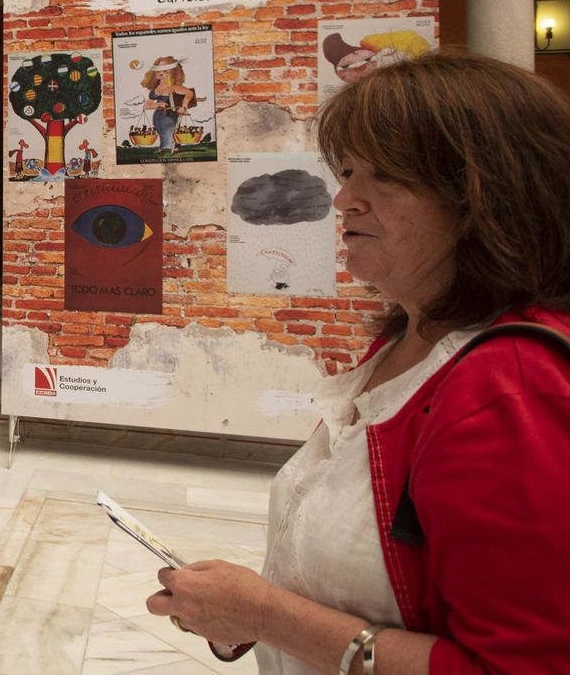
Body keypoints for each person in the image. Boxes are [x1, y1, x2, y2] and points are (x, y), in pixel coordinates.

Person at [145, 51, 570, 673]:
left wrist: (267, 616)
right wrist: (240, 614)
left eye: (386, 175)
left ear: (485, 194)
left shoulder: (511, 389)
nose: (344, 198)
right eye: (348, 172)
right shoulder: (407, 345)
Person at [142, 57, 196, 154]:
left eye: (165, 71)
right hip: (158, 117)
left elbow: (189, 93)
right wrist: (159, 104)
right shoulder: (157, 89)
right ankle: (164, 147)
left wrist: (184, 106)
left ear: (172, 73)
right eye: (159, 71)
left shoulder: (174, 87)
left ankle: (171, 148)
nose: (161, 73)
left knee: (171, 131)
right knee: (162, 132)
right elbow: (146, 105)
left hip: (170, 116)